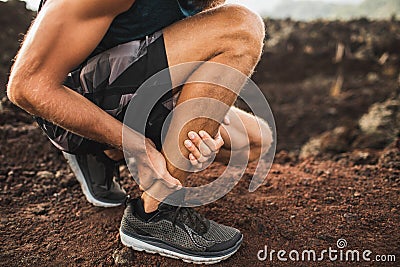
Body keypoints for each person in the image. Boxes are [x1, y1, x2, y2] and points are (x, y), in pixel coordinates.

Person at [7, 0, 272, 264]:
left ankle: (105, 154)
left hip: (125, 85)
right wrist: (137, 146)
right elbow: (27, 87)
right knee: (240, 27)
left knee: (257, 140)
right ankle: (155, 214)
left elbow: (173, 50)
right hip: (65, 106)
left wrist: (204, 115)